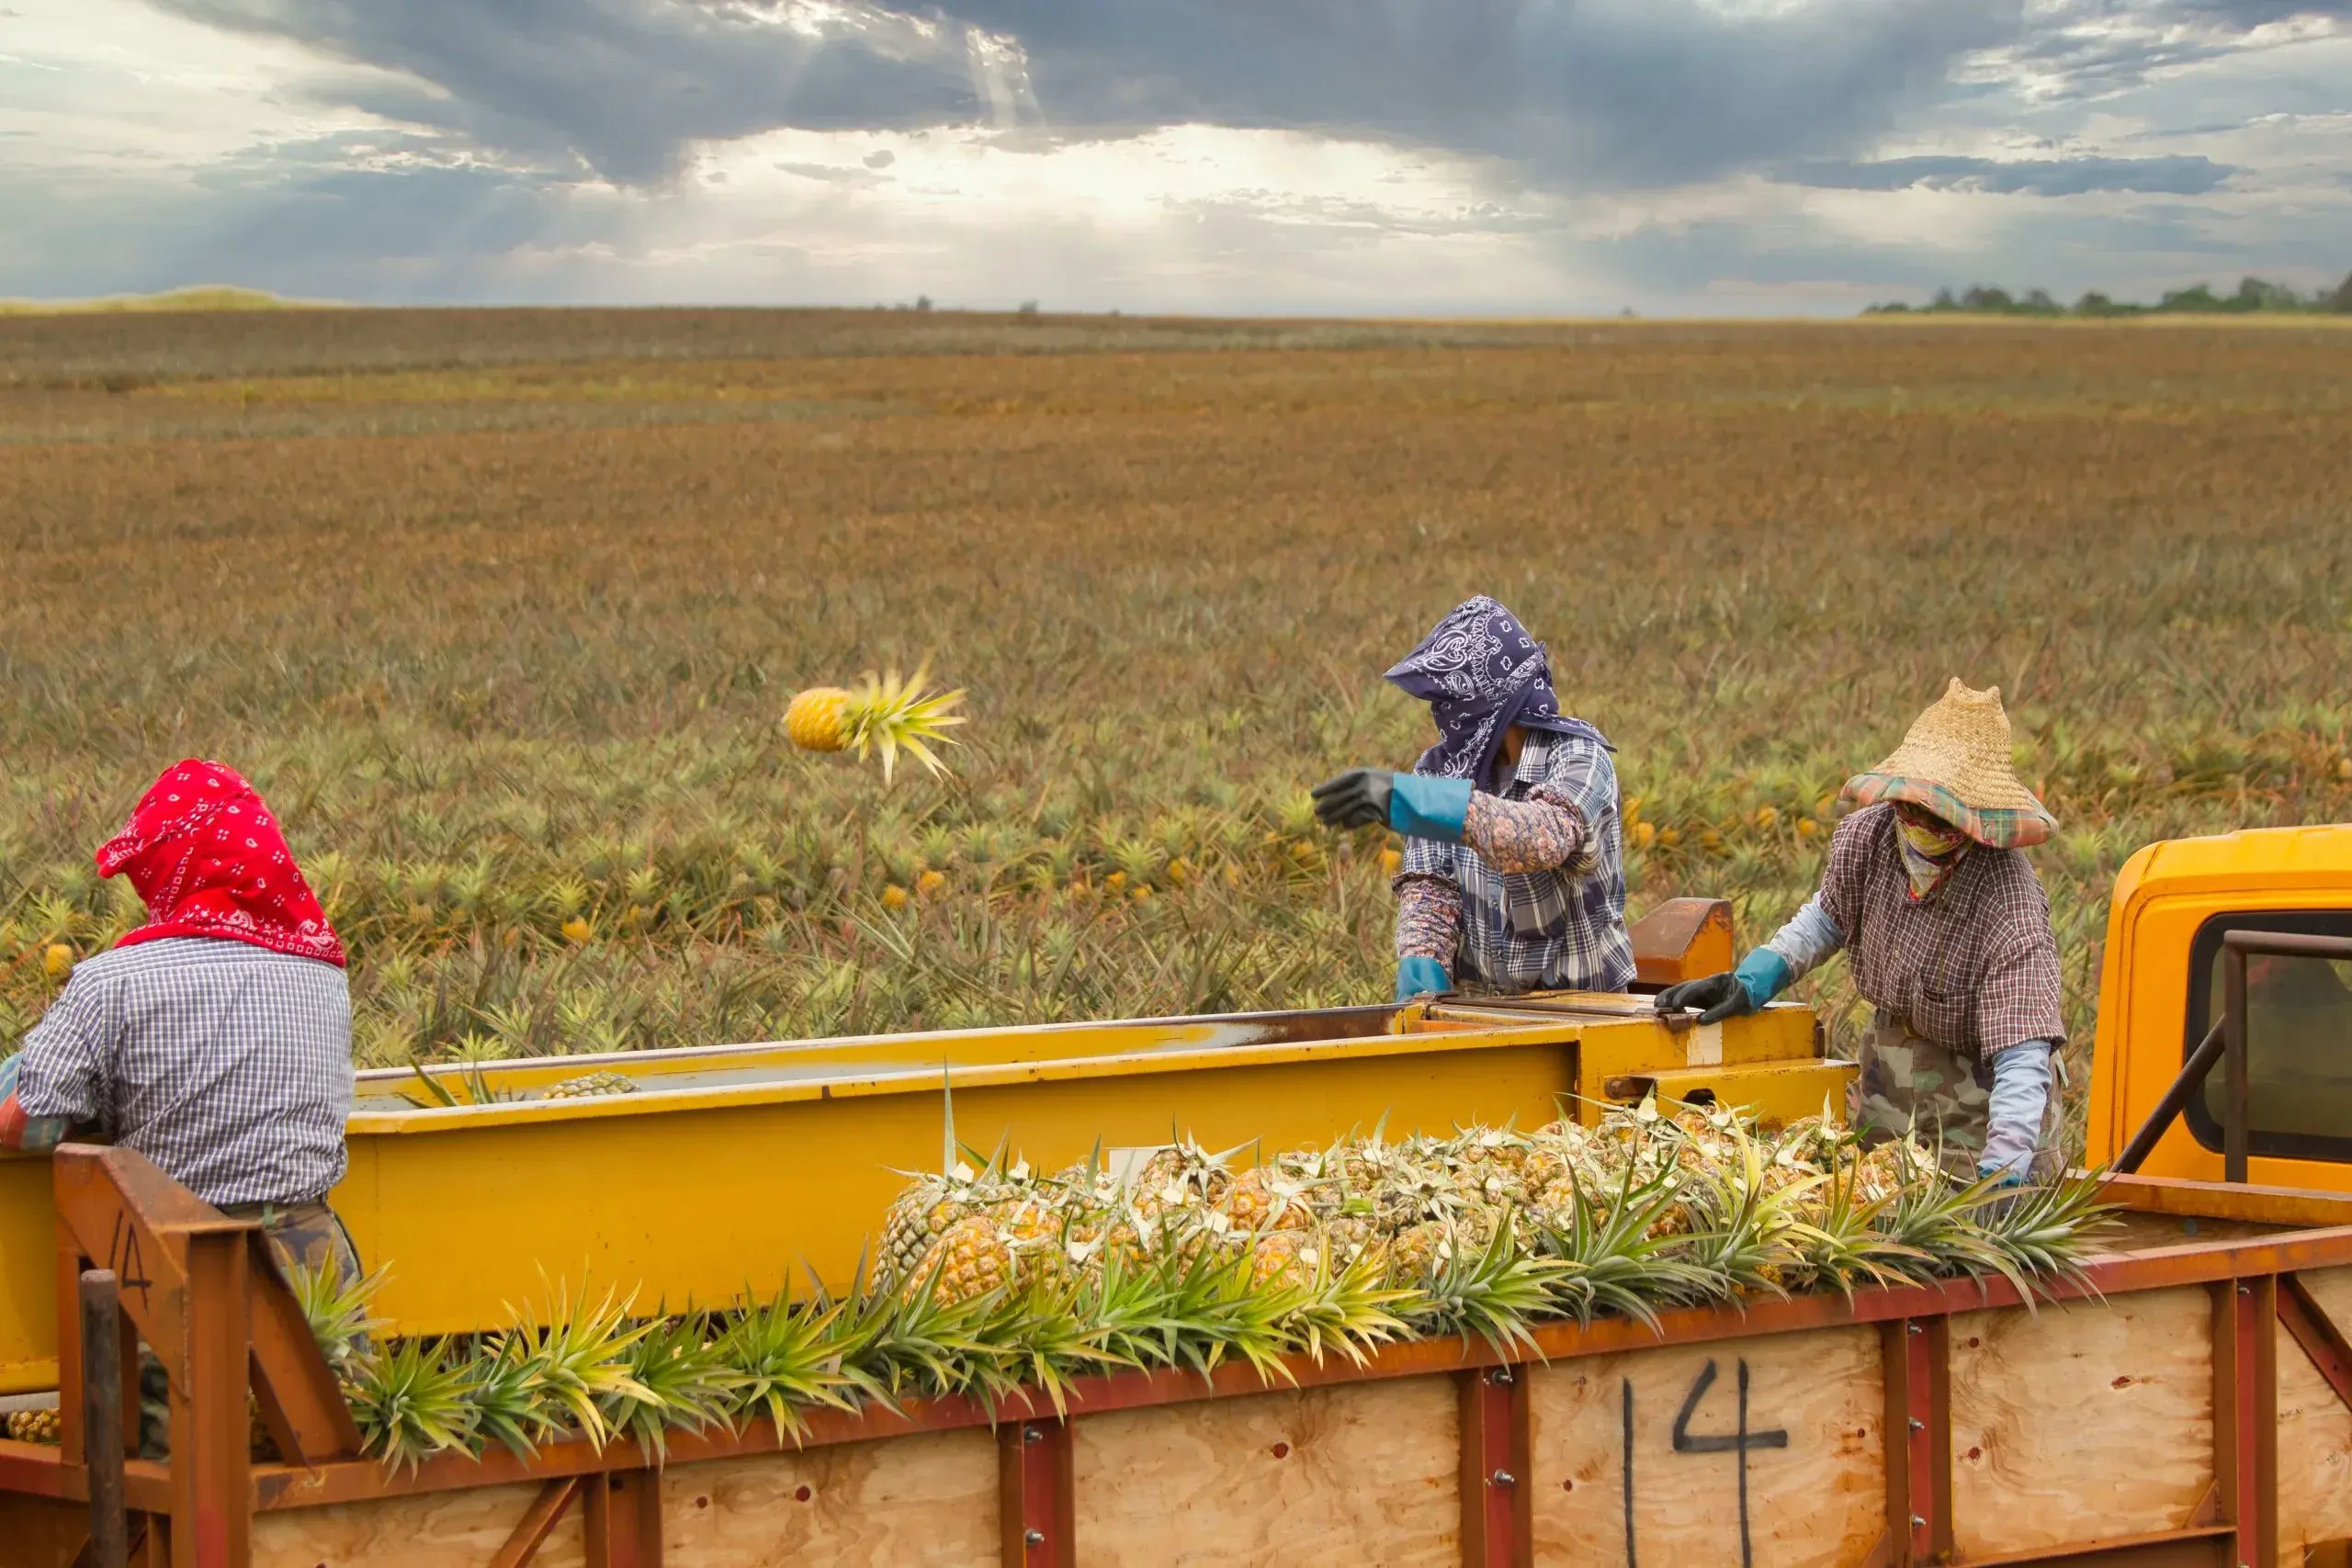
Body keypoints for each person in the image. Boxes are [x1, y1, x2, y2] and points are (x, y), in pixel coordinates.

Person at [1654, 680, 2064, 1183]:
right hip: (1894, 1064)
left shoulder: (2008, 900)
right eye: (1909, 805)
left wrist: (2004, 1169)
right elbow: (1827, 918)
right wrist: (1751, 980)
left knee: (1971, 1218)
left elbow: (2022, 1055)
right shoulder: (1870, 836)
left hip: (1984, 1092)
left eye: (1936, 813)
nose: (1916, 820)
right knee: (1879, 1198)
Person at [0, 760, 361, 1286]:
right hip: (312, 1260)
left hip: (171, 1264)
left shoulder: (111, 981)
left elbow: (26, 1127)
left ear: (174, 867)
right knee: (332, 1349)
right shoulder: (324, 974)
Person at [1314, 595, 1633, 1000]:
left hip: (1592, 1013)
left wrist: (1415, 801)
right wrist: (1422, 991)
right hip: (1486, 1010)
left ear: (1490, 694)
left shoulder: (1580, 757)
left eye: (1451, 699)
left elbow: (1542, 837)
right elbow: (1432, 891)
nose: (1443, 713)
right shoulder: (1439, 770)